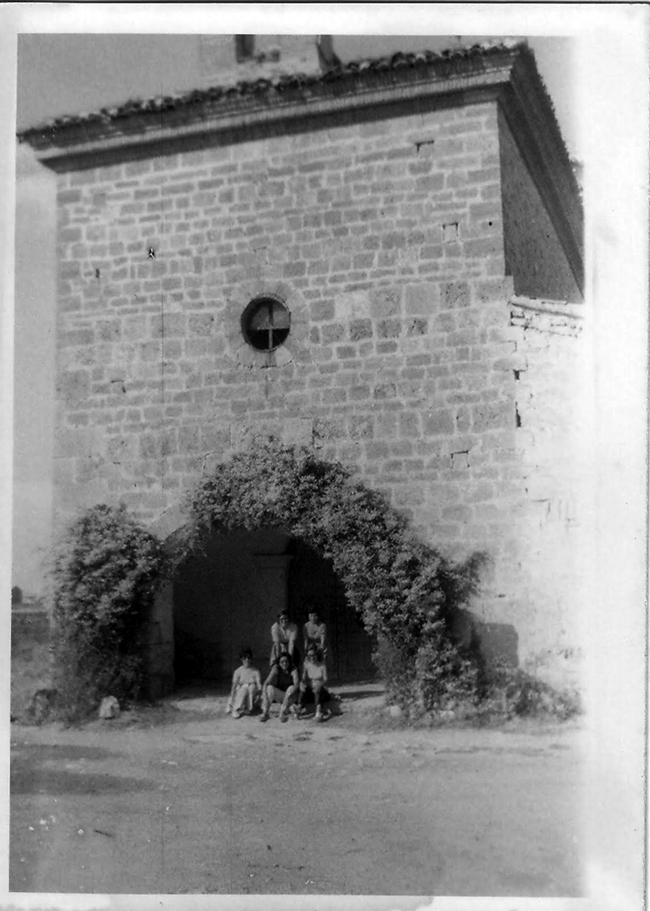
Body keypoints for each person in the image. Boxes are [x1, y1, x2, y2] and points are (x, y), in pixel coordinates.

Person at [260, 653, 299, 722]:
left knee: (291, 688)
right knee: (270, 688)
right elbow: (266, 683)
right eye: (282, 662)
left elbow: (296, 684)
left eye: (286, 661)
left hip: (291, 696)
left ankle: (282, 713)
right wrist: (265, 698)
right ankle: (265, 712)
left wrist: (289, 694)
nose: (284, 663)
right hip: (282, 696)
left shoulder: (293, 669)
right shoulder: (276, 669)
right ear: (279, 663)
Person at [226, 648, 262, 719]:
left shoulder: (255, 671)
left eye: (249, 658)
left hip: (252, 690)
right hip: (241, 690)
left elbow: (258, 683)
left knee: (251, 688)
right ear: (241, 659)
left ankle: (247, 707)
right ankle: (235, 708)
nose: (247, 660)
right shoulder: (237, 671)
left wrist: (259, 690)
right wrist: (232, 696)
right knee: (244, 689)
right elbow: (234, 686)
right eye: (244, 658)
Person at [297, 644, 330, 722]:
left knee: (318, 689)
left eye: (313, 655)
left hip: (321, 690)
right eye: (309, 655)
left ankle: (318, 712)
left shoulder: (322, 665)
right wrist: (302, 683)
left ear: (317, 654)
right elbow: (303, 678)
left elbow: (326, 680)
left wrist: (319, 684)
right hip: (311, 689)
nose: (311, 657)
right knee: (303, 688)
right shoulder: (306, 665)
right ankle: (299, 708)